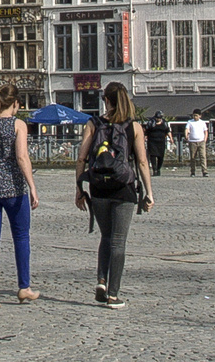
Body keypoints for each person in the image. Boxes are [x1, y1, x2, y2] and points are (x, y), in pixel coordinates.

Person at [75, 82, 154, 308]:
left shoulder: (93, 123)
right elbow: (141, 162)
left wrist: (79, 189)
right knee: (119, 241)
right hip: (124, 189)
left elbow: (82, 158)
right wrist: (148, 192)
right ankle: (113, 294)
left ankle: (101, 280)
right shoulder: (134, 127)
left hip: (99, 187)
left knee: (106, 237)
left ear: (106, 100)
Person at [0, 84, 41, 308]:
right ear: (14, 104)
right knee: (21, 237)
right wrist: (32, 186)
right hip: (13, 187)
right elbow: (22, 157)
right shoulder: (17, 124)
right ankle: (24, 287)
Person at [144, 111, 170, 176]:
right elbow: (146, 132)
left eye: (159, 118)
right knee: (152, 155)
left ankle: (158, 169)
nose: (158, 119)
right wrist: (144, 139)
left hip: (161, 141)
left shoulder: (164, 123)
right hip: (152, 141)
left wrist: (171, 138)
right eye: (157, 118)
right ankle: (154, 169)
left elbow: (168, 131)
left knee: (161, 156)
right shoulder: (151, 122)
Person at [186, 110, 210, 176]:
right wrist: (186, 136)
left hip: (201, 141)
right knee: (193, 157)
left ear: (200, 116)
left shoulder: (202, 123)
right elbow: (187, 129)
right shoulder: (190, 122)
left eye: (196, 115)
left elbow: (205, 131)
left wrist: (205, 139)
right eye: (194, 115)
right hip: (192, 142)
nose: (195, 117)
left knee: (203, 156)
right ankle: (193, 171)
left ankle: (204, 171)